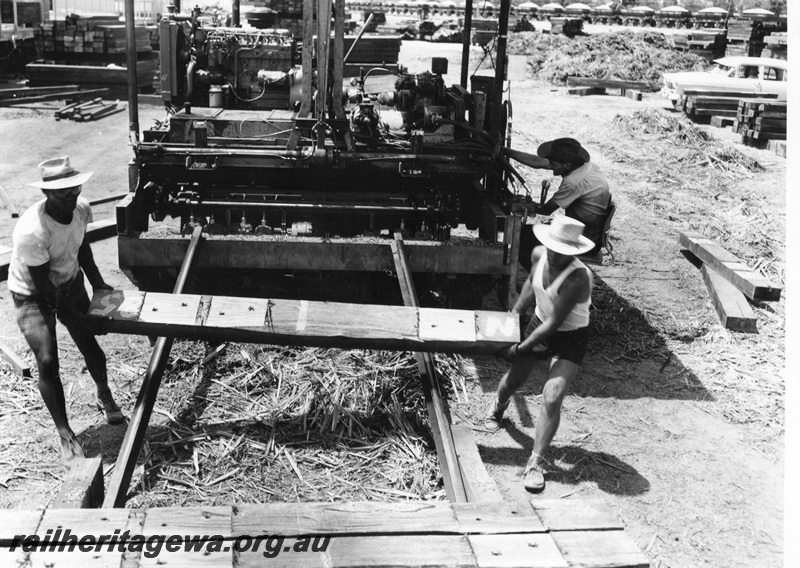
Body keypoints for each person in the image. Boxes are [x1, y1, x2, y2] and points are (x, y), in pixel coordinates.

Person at [8, 156, 124, 467]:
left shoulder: (81, 208)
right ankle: (64, 432)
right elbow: (45, 288)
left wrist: (99, 284)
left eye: (74, 188)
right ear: (46, 193)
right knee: (47, 360)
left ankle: (104, 393)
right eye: (62, 192)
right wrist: (77, 316)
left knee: (92, 347)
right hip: (32, 295)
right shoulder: (32, 231)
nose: (71, 196)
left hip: (69, 281)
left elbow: (81, 246)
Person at [485, 216, 594, 492]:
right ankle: (498, 407)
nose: (556, 256)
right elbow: (530, 287)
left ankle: (535, 462)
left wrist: (519, 348)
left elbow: (553, 324)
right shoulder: (538, 255)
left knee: (552, 395)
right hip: (539, 321)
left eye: (564, 252)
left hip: (570, 336)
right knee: (514, 380)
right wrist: (512, 317)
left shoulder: (579, 278)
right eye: (553, 248)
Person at [502, 138, 612, 270]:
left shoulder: (574, 182)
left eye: (553, 164)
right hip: (589, 233)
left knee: (522, 237)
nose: (551, 166)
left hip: (582, 238)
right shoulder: (586, 166)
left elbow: (547, 210)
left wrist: (525, 205)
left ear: (567, 165)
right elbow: (539, 162)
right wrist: (505, 151)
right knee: (528, 233)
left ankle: (541, 280)